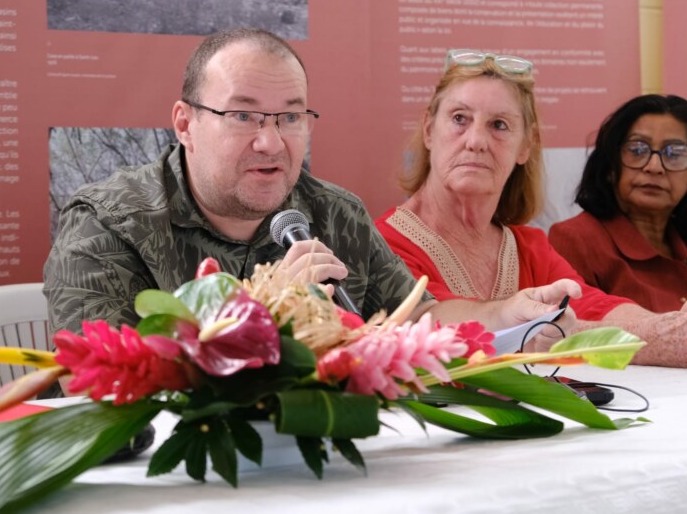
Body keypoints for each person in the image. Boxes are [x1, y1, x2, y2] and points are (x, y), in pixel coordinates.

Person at [44, 29, 578, 347]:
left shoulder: (333, 213)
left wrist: (503, 313)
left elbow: (417, 316)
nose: (271, 143)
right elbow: (101, 380)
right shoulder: (107, 222)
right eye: (243, 116)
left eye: (291, 117)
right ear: (185, 125)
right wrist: (262, 313)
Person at [374, 49, 687, 368]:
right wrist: (658, 339)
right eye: (459, 118)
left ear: (525, 146)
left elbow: (592, 305)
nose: (476, 141)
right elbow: (429, 317)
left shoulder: (528, 246)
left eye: (499, 125)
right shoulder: (382, 241)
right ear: (428, 130)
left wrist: (669, 325)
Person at [548, 94, 687, 313]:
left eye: (674, 153)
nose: (654, 167)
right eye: (637, 150)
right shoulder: (576, 240)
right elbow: (571, 335)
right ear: (610, 167)